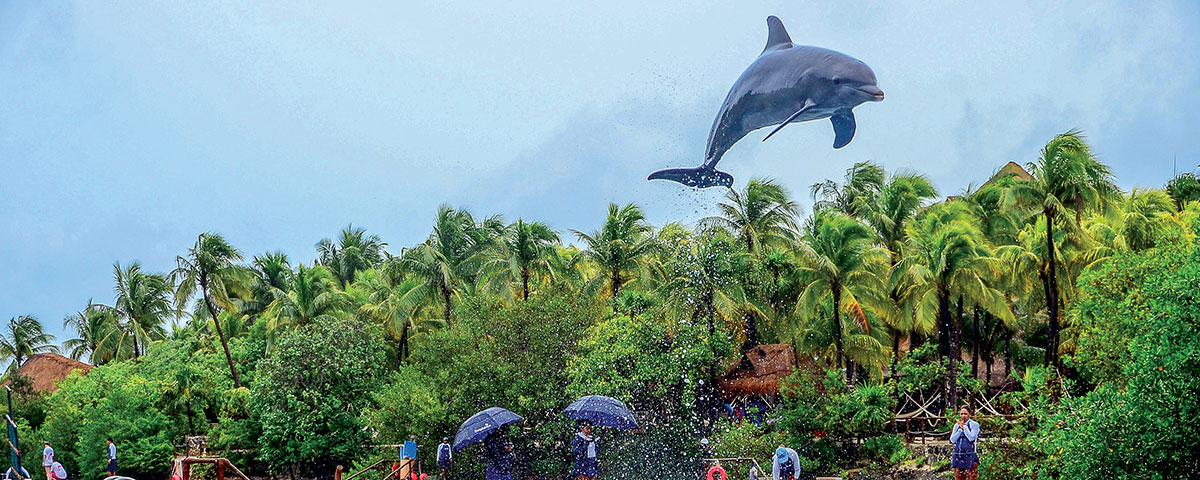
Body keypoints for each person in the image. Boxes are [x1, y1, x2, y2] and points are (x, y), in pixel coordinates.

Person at [950, 405, 980, 480]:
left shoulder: (974, 424)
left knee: (972, 476)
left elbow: (971, 438)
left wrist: (964, 428)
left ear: (970, 414)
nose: (963, 416)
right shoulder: (957, 425)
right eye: (962, 414)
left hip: (970, 453)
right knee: (958, 476)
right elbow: (953, 440)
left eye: (965, 414)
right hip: (958, 454)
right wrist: (960, 430)